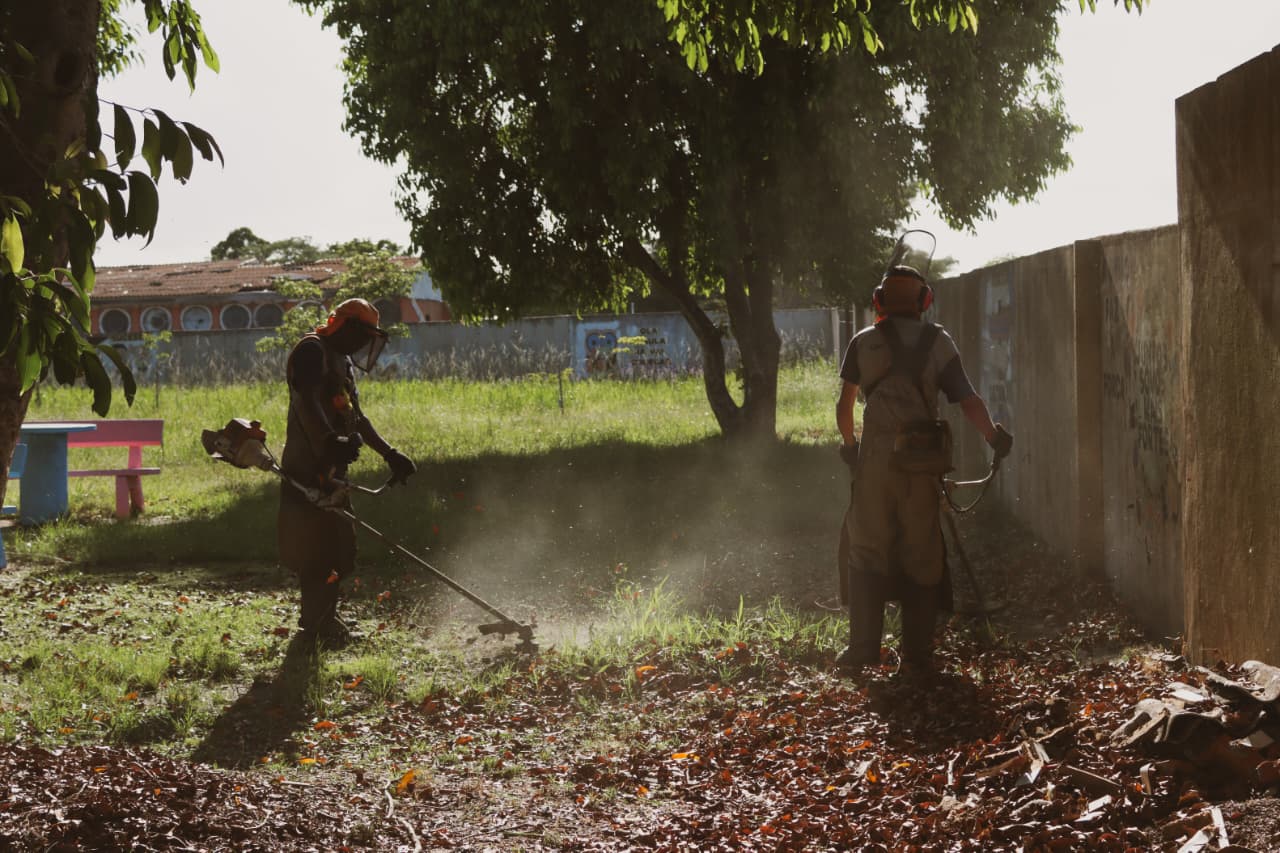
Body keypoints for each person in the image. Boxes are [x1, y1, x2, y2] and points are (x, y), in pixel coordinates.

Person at [835, 265, 1012, 674]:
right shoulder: (939, 343)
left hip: (875, 466)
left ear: (878, 300)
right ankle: (916, 657)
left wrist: (850, 447)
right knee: (922, 554)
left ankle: (863, 650)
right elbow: (967, 400)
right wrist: (994, 438)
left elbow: (845, 407)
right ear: (924, 301)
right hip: (921, 464)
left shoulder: (864, 342)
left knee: (866, 550)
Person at [278, 298, 417, 645]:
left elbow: (357, 417)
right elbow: (306, 401)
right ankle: (314, 627)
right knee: (316, 552)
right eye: (361, 334)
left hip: (334, 471)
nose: (362, 344)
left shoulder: (341, 361)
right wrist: (328, 441)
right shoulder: (312, 351)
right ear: (346, 326)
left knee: (341, 549)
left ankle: (325, 618)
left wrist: (390, 454)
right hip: (306, 471)